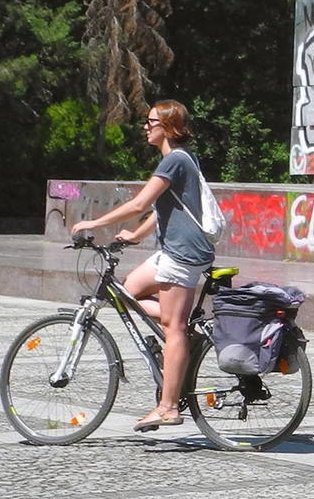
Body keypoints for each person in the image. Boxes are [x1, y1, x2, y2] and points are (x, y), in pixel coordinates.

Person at [69, 99, 216, 431]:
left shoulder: (175, 160)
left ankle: (168, 407)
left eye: (151, 122)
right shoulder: (178, 160)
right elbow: (165, 209)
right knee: (126, 291)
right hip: (172, 252)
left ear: (168, 126)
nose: (145, 127)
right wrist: (135, 235)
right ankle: (178, 329)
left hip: (182, 255)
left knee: (172, 329)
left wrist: (95, 224)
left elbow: (140, 202)